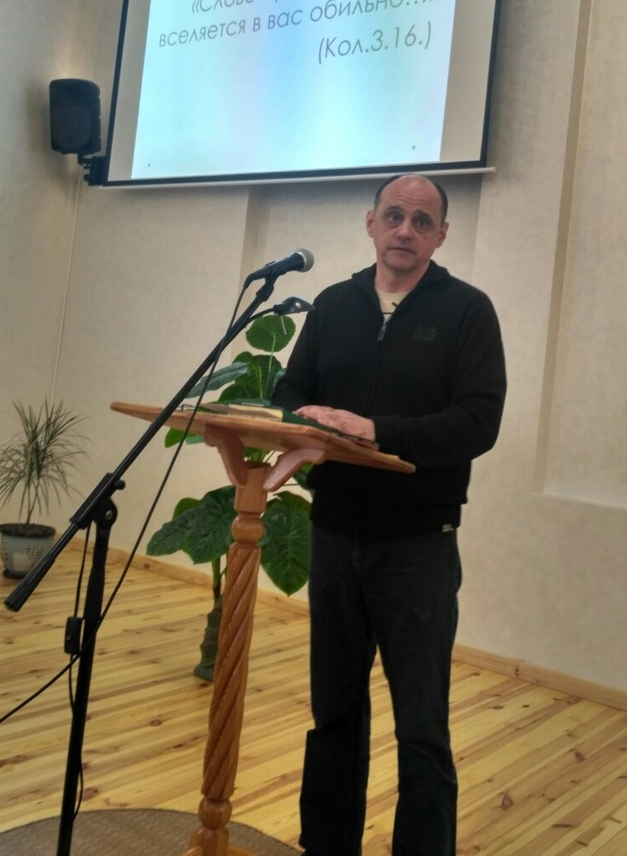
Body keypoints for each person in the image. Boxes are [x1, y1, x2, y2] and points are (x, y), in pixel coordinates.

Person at [271, 173, 507, 856]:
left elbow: (479, 421)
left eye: (422, 221)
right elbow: (290, 392)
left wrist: (376, 431)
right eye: (395, 216)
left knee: (422, 730)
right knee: (334, 715)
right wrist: (305, 424)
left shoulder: (468, 312)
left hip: (418, 546)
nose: (406, 230)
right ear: (370, 222)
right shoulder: (333, 305)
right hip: (333, 535)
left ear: (441, 235)